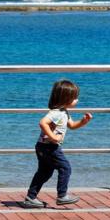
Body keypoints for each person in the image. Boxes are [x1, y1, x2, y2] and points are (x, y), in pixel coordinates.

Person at [20, 79, 93, 209]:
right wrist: (53, 137)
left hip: (42, 146)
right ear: (65, 98)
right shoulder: (56, 113)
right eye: (75, 98)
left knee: (44, 172)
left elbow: (72, 126)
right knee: (65, 168)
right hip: (49, 147)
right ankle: (62, 196)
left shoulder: (64, 112)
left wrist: (83, 122)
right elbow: (43, 122)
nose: (77, 100)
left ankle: (31, 197)